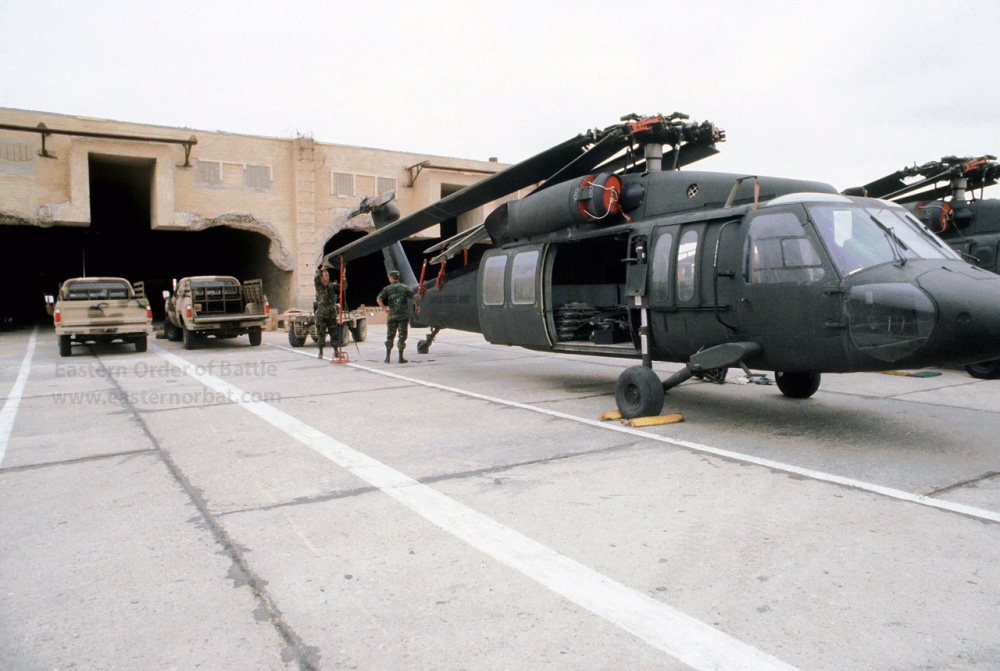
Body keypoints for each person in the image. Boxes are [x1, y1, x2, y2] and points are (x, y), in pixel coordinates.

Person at [376, 269, 418, 363]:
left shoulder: (387, 288)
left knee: (390, 336)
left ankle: (387, 357)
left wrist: (384, 308)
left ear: (391, 278)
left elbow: (378, 299)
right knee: (402, 336)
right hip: (403, 316)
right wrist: (417, 307)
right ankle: (400, 357)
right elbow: (414, 297)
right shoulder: (405, 288)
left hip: (392, 316)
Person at [314, 266, 342, 359]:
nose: (328, 277)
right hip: (322, 314)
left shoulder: (330, 285)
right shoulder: (319, 285)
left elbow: (342, 287)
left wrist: (344, 277)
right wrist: (321, 270)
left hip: (332, 313)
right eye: (325, 275)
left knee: (334, 333)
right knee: (321, 333)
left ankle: (336, 351)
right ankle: (320, 351)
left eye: (328, 275)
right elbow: (316, 277)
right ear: (321, 277)